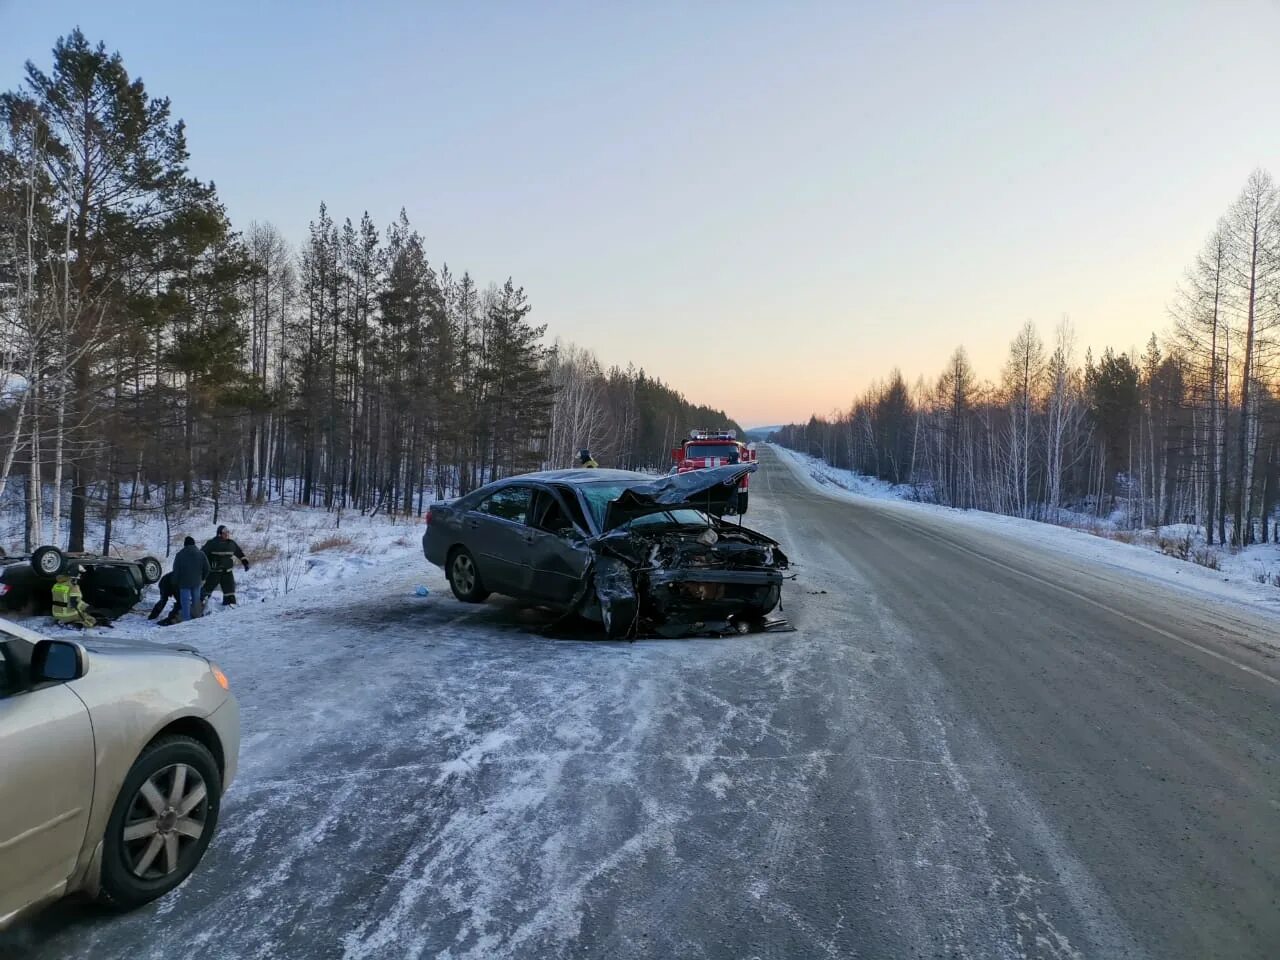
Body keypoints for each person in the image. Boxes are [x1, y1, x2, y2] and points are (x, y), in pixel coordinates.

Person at [201, 525, 249, 606]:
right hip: (214, 573)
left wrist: (245, 562)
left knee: (230, 592)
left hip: (227, 572)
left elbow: (239, 553)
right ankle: (197, 607)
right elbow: (202, 554)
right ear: (219, 534)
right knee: (206, 591)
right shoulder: (212, 543)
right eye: (225, 533)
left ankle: (229, 609)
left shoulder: (231, 544)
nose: (227, 534)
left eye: (227, 532)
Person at [172, 535, 211, 622]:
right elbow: (207, 568)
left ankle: (186, 619)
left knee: (185, 602)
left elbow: (176, 570)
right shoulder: (201, 554)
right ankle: (196, 618)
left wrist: (175, 582)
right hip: (197, 582)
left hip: (184, 583)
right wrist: (202, 578)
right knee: (196, 601)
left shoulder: (179, 555)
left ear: (185, 544)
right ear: (194, 544)